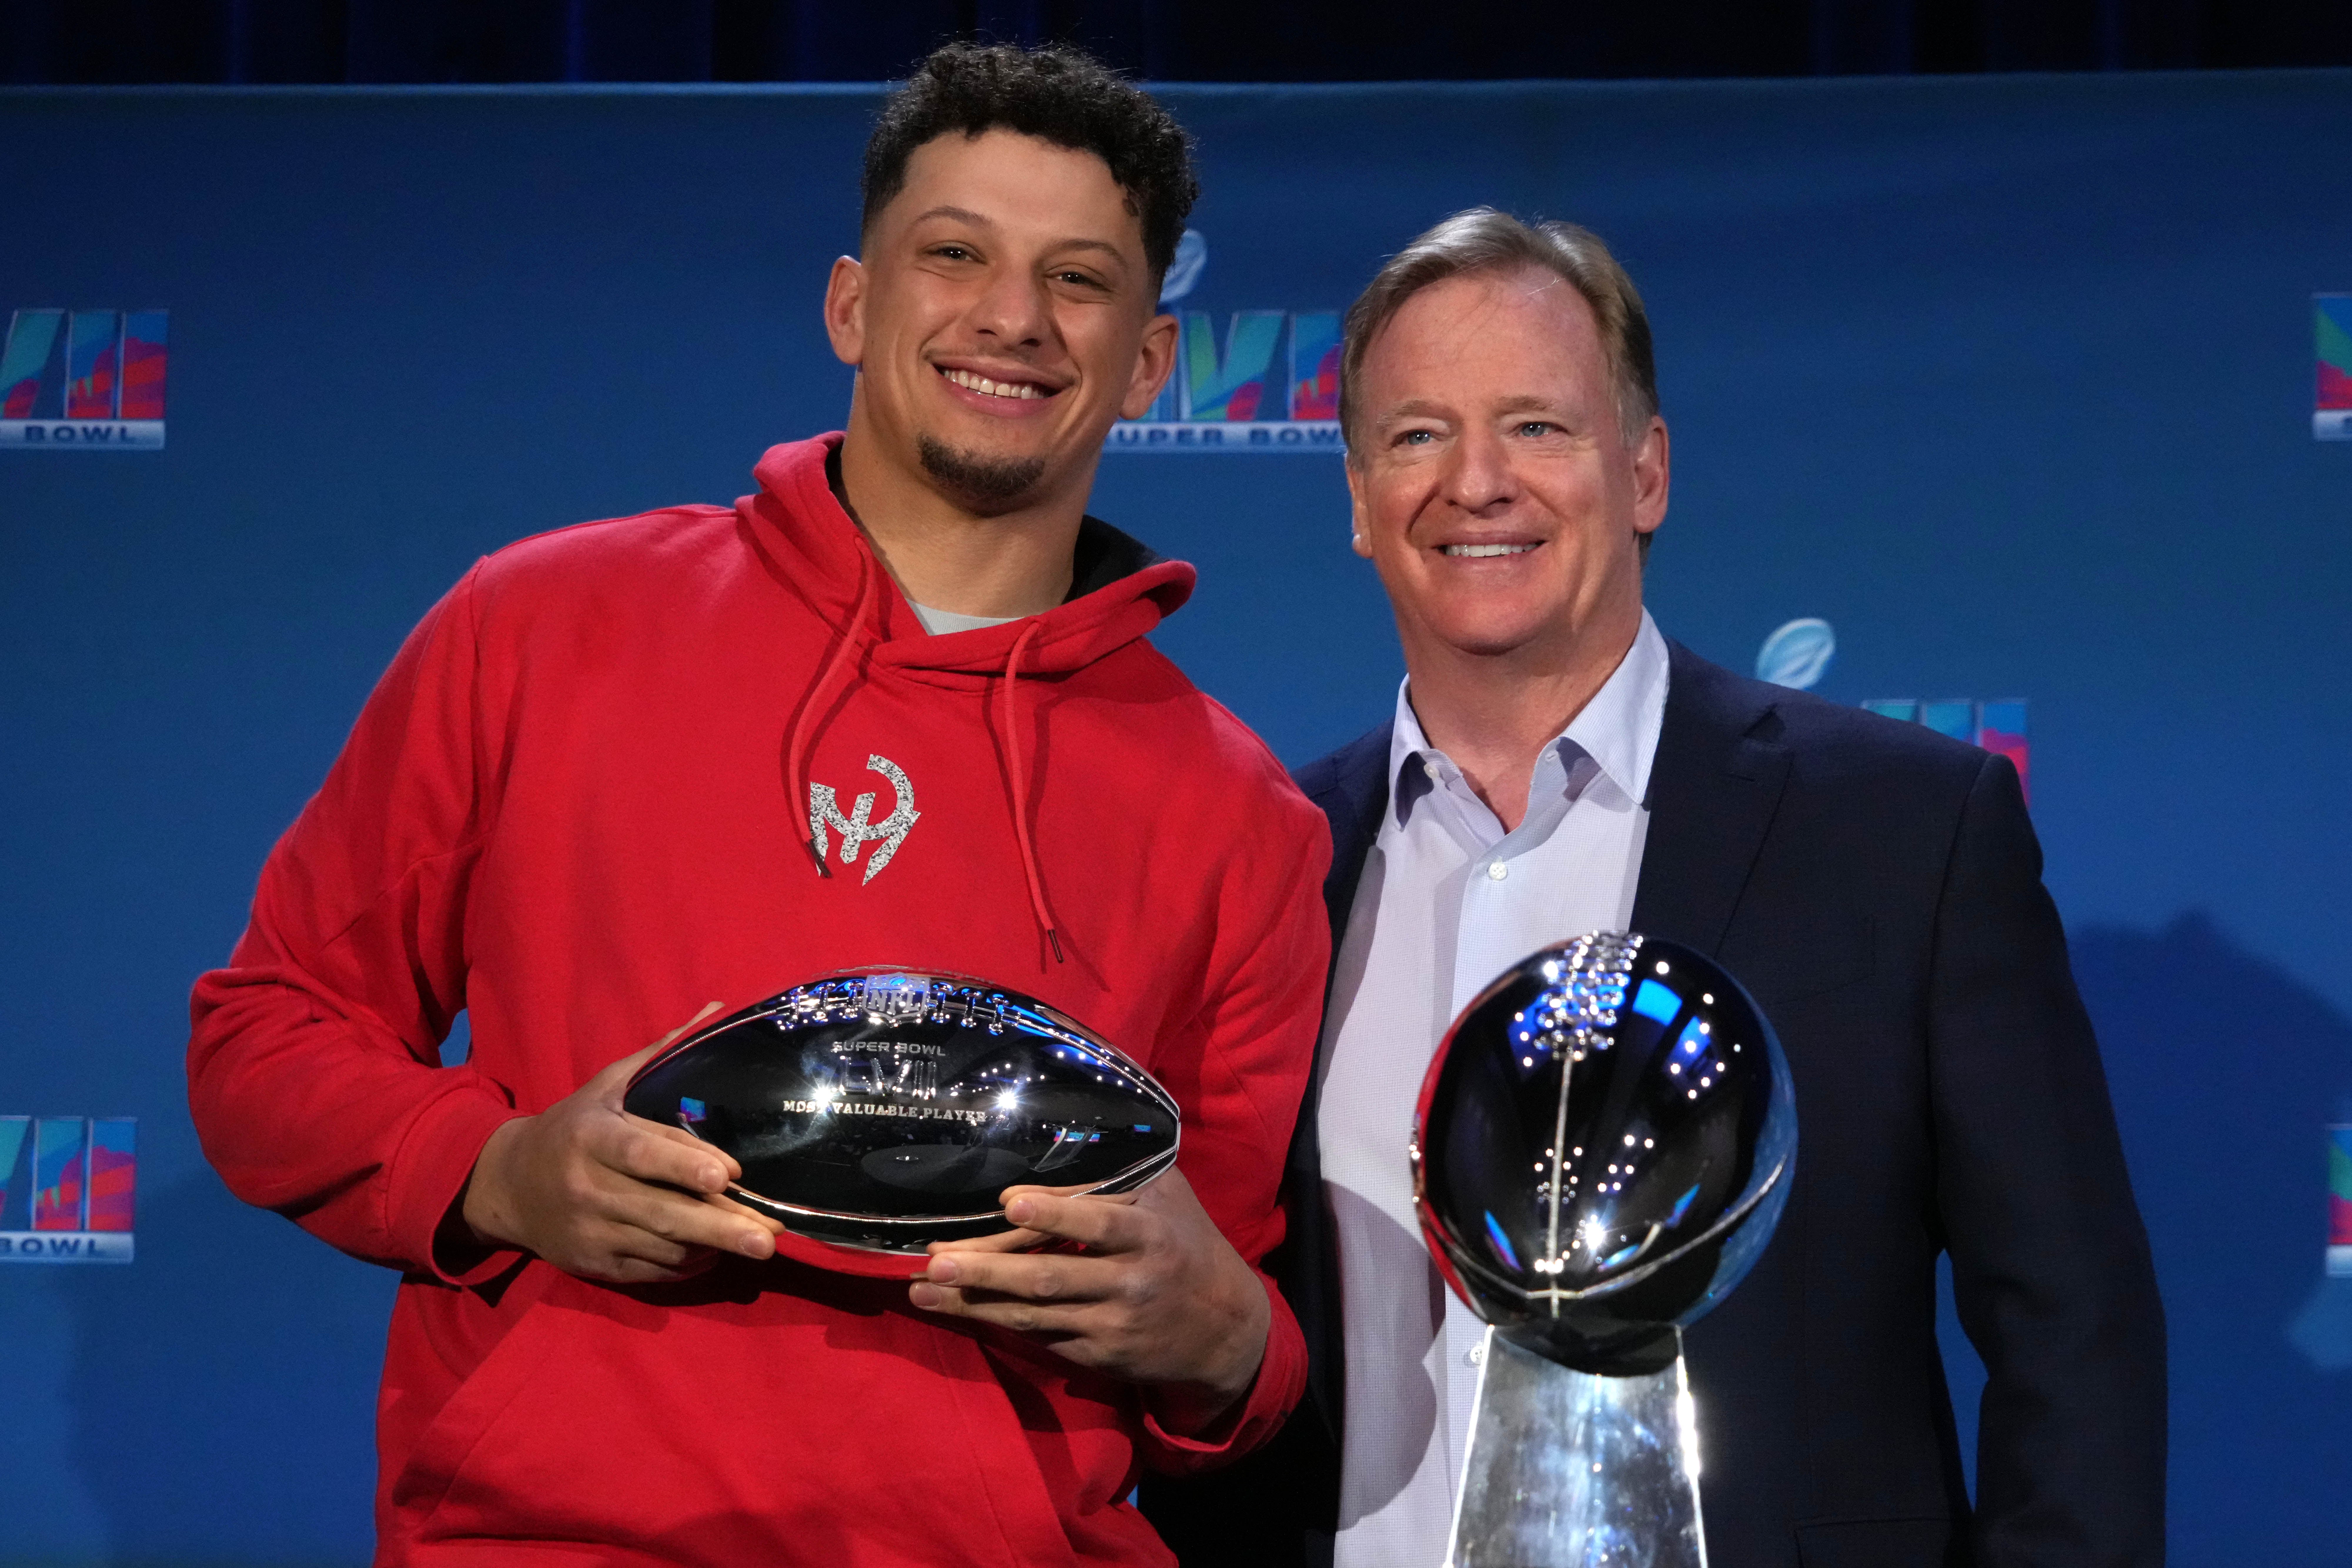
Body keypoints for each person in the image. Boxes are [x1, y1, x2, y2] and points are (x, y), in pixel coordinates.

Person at [187, 44, 1330, 1567]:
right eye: (954, 254)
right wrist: (502, 1171)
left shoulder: (1242, 815)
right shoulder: (538, 626)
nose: (1011, 316)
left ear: (1144, 362)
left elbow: (1221, 1334)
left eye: (1077, 279)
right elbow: (265, 1034)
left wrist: (1227, 1340)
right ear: (852, 302)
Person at [1140, 209, 2167, 1567]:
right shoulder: (1265, 856)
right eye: (1416, 435)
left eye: (1539, 426)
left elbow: (2075, 1341)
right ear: (1357, 504)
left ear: (1647, 470)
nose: (1477, 481)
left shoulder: (1909, 833)